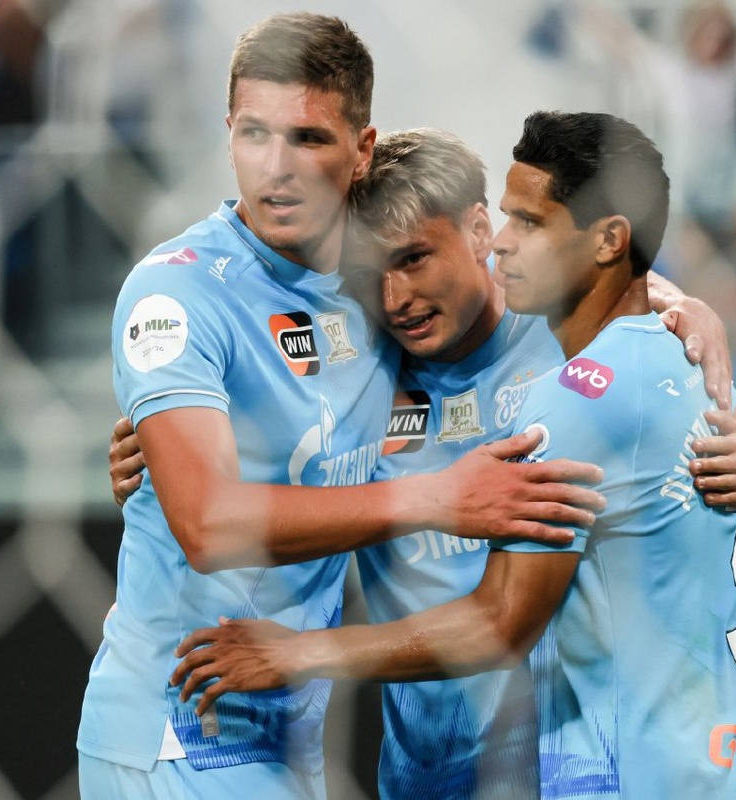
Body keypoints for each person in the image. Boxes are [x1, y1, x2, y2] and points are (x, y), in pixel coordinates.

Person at [108, 126, 736, 797]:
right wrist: (151, 448)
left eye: (415, 258)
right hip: (423, 779)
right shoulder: (359, 373)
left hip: (563, 770)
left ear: (480, 232)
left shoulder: (575, 346)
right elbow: (233, 458)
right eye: (370, 273)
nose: (396, 299)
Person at [77, 15, 609, 800]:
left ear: (362, 150)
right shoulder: (177, 291)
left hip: (288, 733)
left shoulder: (375, 297)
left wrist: (667, 308)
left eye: (308, 139)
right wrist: (437, 498)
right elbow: (208, 525)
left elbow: (533, 293)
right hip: (180, 722)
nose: (277, 168)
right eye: (255, 134)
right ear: (227, 133)